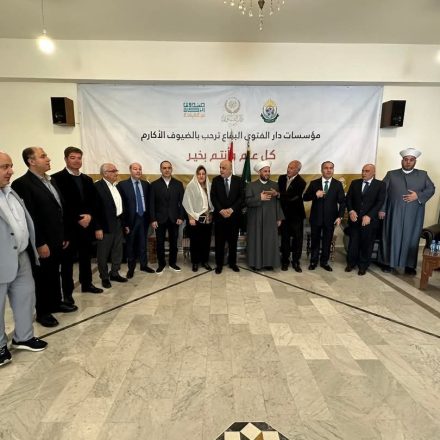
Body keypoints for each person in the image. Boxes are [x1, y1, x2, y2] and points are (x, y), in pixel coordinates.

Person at [12, 147, 77, 328]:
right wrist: (39, 243)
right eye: (43, 156)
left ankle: (55, 303)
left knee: (54, 273)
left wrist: (64, 234)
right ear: (31, 161)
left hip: (57, 238)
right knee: (42, 277)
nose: (48, 159)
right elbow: (30, 217)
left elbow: (59, 209)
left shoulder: (51, 180)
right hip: (43, 242)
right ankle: (43, 312)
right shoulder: (22, 184)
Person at [0, 151, 47, 366]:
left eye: (10, 166)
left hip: (21, 256)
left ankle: (23, 337)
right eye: (5, 167)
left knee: (25, 298)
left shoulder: (11, 192)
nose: (11, 171)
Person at [52, 146, 103, 304]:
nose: (76, 161)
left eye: (79, 158)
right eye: (72, 157)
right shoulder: (56, 179)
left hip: (87, 226)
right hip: (69, 228)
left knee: (86, 258)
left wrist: (90, 216)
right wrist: (77, 218)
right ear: (66, 159)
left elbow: (94, 202)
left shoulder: (87, 179)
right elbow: (60, 204)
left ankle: (87, 284)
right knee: (67, 263)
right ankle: (67, 293)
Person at [379, 148, 435, 275]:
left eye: (411, 160)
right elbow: (383, 192)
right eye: (406, 159)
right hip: (394, 212)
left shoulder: (423, 175)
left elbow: (431, 189)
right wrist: (382, 209)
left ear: (415, 161)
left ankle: (409, 266)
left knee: (411, 238)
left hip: (414, 214)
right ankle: (388, 263)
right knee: (391, 236)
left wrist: (418, 196)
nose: (408, 162)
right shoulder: (391, 174)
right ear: (402, 160)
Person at [303, 161, 345, 271]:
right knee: (315, 241)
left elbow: (342, 202)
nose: (328, 170)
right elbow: (305, 197)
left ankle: (324, 262)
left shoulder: (338, 184)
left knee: (327, 241)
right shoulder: (314, 183)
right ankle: (313, 261)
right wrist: (315, 195)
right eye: (326, 168)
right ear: (322, 170)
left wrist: (340, 216)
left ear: (333, 170)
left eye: (331, 168)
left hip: (331, 219)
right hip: (316, 218)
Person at [345, 164, 386, 275]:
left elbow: (380, 202)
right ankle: (351, 263)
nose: (363, 173)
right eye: (363, 170)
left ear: (373, 172)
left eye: (367, 171)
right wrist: (351, 211)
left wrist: (369, 216)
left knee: (367, 244)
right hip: (355, 220)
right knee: (353, 243)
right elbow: (348, 199)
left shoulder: (380, 185)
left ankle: (363, 266)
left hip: (370, 221)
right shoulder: (355, 183)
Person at [118, 163, 155, 279]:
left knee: (143, 243)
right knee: (130, 245)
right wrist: (124, 223)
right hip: (130, 221)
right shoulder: (122, 185)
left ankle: (144, 265)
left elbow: (150, 202)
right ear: (130, 171)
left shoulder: (146, 185)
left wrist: (151, 218)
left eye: (140, 169)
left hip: (143, 218)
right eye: (135, 169)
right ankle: (131, 268)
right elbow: (121, 205)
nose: (138, 171)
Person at [246, 161, 284, 271]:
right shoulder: (251, 185)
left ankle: (269, 263)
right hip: (255, 218)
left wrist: (279, 217)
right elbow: (247, 202)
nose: (267, 173)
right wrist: (259, 198)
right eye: (265, 171)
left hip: (270, 218)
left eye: (268, 171)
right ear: (259, 172)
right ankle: (256, 263)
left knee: (269, 240)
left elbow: (278, 202)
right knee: (256, 240)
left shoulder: (274, 185)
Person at [94, 163, 128, 288]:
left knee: (117, 250)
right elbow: (94, 210)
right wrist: (97, 228)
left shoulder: (116, 186)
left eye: (116, 170)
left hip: (118, 223)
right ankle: (104, 277)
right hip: (105, 226)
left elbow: (120, 206)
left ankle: (114, 273)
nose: (116, 173)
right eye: (113, 171)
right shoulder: (97, 187)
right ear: (105, 173)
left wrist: (124, 224)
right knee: (103, 253)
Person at [149, 161, 185, 274]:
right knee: (160, 243)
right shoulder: (154, 185)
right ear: (161, 169)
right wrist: (153, 219)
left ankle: (173, 263)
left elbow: (182, 203)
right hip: (159, 219)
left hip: (174, 218)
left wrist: (181, 217)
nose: (167, 170)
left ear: (171, 169)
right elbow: (151, 204)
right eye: (164, 168)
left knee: (174, 242)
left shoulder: (178, 184)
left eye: (169, 168)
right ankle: (161, 264)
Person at [210, 160, 243, 274]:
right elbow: (213, 197)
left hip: (234, 217)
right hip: (220, 217)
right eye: (220, 167)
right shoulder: (216, 180)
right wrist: (221, 210)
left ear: (230, 169)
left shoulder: (238, 180)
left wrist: (231, 209)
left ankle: (232, 263)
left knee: (233, 242)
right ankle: (219, 264)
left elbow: (241, 197)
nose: (221, 170)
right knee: (219, 242)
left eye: (223, 168)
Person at [182, 165, 214, 272]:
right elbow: (187, 203)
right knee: (195, 242)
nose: (201, 176)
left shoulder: (209, 186)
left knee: (206, 241)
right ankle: (195, 262)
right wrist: (191, 217)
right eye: (199, 174)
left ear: (205, 175)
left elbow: (212, 202)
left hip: (208, 219)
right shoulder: (191, 186)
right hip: (195, 219)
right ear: (196, 175)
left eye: (203, 174)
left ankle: (205, 261)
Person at [278, 160, 306, 272]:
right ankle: (285, 261)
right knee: (284, 239)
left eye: (292, 168)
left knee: (297, 240)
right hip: (284, 215)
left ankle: (295, 262)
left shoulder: (301, 182)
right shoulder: (281, 178)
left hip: (296, 216)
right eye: (288, 167)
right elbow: (282, 195)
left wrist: (279, 195)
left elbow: (292, 197)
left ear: (297, 170)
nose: (288, 169)